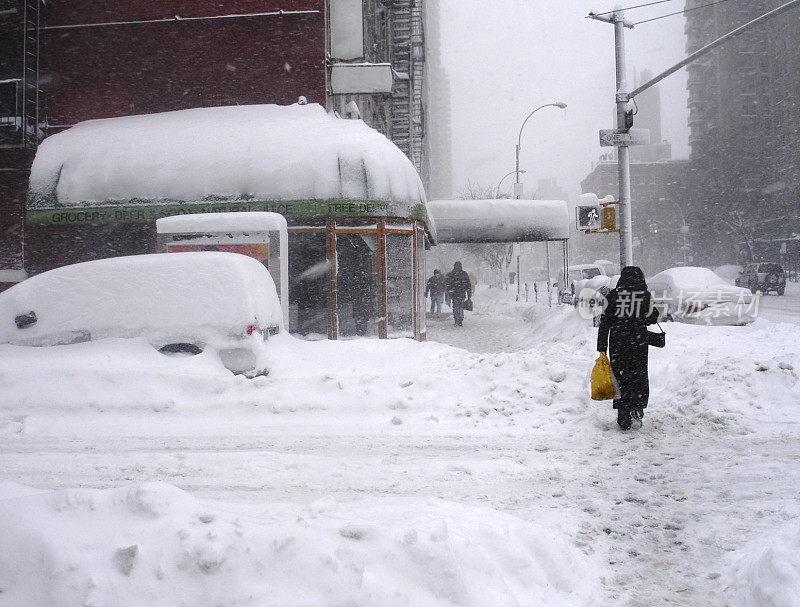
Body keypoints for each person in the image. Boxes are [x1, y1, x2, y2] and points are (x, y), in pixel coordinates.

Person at [597, 266, 660, 430]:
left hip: (618, 344)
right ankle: (637, 407)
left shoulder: (613, 296)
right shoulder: (644, 296)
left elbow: (605, 322)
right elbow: (653, 317)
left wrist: (601, 346)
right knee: (638, 376)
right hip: (638, 343)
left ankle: (623, 414)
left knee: (621, 378)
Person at [446, 261, 472, 327]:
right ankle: (460, 319)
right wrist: (469, 295)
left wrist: (449, 292)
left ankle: (457, 320)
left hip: (454, 293)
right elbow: (468, 285)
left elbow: (447, 285)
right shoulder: (464, 274)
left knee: (456, 307)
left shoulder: (451, 274)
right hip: (461, 293)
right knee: (460, 307)